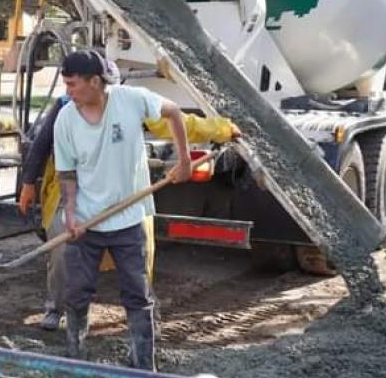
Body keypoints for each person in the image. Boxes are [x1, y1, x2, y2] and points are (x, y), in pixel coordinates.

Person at [21, 85, 241, 331]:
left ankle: (147, 313)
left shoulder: (129, 105)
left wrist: (222, 129)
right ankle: (56, 308)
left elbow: (180, 122)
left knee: (139, 258)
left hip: (125, 197)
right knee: (63, 253)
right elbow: (42, 144)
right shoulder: (66, 107)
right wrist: (28, 183)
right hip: (78, 196)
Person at [53, 50, 192, 371]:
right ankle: (76, 357)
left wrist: (184, 160)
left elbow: (174, 112)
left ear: (94, 81)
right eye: (66, 84)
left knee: (137, 294)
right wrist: (71, 214)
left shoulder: (131, 100)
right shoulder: (66, 119)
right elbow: (67, 173)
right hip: (86, 221)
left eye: (73, 84)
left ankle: (143, 364)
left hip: (128, 220)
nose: (68, 91)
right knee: (76, 293)